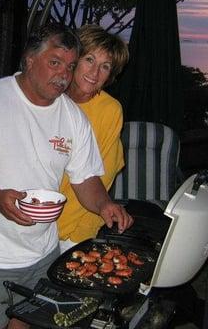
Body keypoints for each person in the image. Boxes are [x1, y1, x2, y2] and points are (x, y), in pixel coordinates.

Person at [0, 22, 133, 329]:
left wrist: (104, 204)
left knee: (26, 324)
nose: (64, 74)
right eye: (54, 62)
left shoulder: (73, 117)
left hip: (43, 250)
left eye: (69, 66)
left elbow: (85, 179)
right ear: (29, 60)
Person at [57, 24, 129, 253]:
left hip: (77, 226)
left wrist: (74, 232)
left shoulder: (109, 110)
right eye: (89, 59)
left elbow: (102, 176)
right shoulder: (51, 99)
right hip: (37, 219)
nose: (95, 72)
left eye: (105, 66)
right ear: (74, 59)